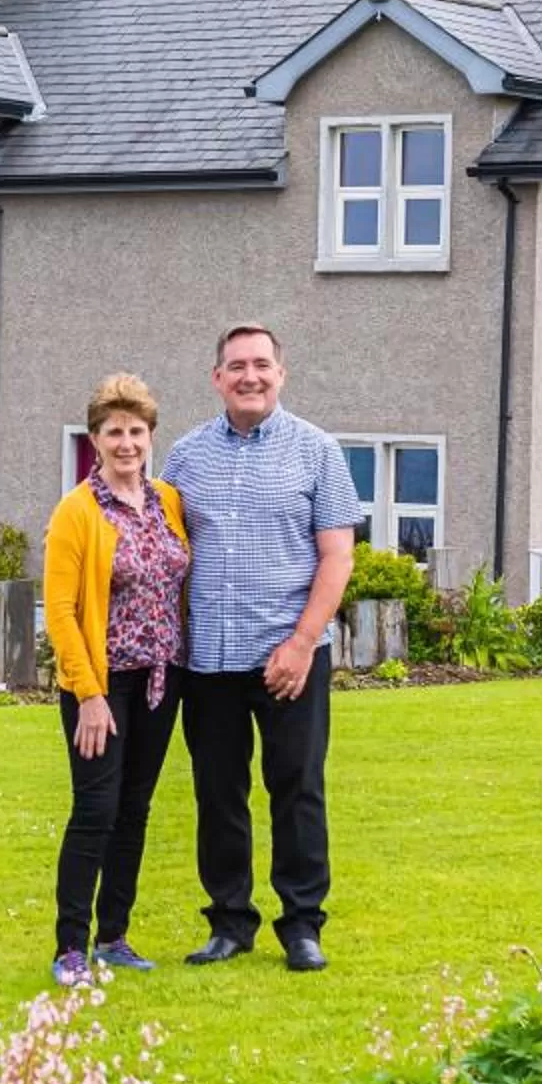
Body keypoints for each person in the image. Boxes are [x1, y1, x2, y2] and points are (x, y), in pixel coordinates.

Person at [160, 323, 359, 973]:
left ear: (282, 373)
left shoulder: (318, 451)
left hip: (291, 657)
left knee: (297, 788)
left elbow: (338, 556)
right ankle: (230, 923)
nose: (250, 375)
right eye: (237, 365)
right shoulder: (185, 458)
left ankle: (302, 926)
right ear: (217, 377)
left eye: (262, 364)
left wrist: (302, 644)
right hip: (209, 659)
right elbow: (163, 552)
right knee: (218, 793)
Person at [40, 373, 191, 989]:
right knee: (95, 810)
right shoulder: (78, 511)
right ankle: (70, 946)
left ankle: (114, 937)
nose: (126, 443)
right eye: (113, 432)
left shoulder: (167, 502)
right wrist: (89, 696)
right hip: (102, 687)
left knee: (135, 809)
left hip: (161, 681)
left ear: (150, 436)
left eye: (136, 431)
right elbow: (60, 612)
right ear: (95, 440)